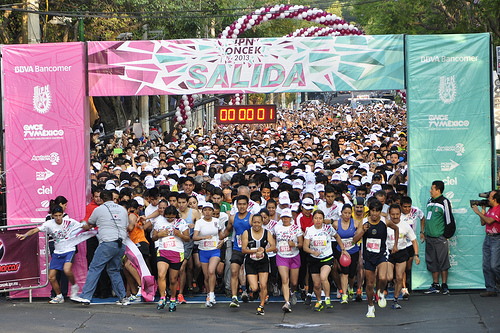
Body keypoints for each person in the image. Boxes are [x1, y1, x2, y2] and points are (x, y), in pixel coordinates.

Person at [71, 190, 130, 305]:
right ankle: (123, 298)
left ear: (101, 200)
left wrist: (82, 224)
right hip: (121, 244)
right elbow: (126, 225)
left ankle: (86, 296)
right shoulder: (122, 209)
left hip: (107, 243)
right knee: (114, 270)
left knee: (94, 268)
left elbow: (90, 224)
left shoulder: (98, 209)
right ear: (113, 198)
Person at [17, 205, 82, 304]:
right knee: (51, 277)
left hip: (69, 249)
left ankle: (74, 288)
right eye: (56, 216)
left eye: (60, 215)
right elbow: (35, 230)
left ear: (63, 214)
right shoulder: (48, 224)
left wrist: (90, 225)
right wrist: (25, 235)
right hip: (57, 252)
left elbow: (83, 225)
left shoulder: (70, 222)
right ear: (52, 215)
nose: (58, 218)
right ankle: (59, 296)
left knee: (67, 270)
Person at [304, 210, 348, 311]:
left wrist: (343, 249)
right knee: (316, 284)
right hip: (314, 259)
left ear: (323, 219)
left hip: (327, 257)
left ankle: (327, 298)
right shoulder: (309, 230)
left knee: (324, 277)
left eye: (320, 218)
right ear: (313, 219)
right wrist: (312, 252)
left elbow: (337, 236)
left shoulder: (328, 228)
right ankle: (319, 301)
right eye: (316, 218)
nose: (318, 220)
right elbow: (305, 247)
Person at [361, 199, 399, 318]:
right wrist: (363, 230)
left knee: (383, 278)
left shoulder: (385, 221)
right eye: (372, 211)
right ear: (369, 210)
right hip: (368, 256)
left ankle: (381, 292)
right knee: (370, 284)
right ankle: (371, 307)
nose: (374, 214)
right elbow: (355, 239)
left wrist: (395, 245)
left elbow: (396, 229)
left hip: (381, 254)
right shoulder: (363, 222)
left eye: (377, 211)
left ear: (380, 212)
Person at [153, 205, 190, 311]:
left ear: (175, 215)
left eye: (172, 217)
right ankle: (162, 297)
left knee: (173, 280)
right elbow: (153, 237)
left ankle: (173, 299)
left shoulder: (181, 222)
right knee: (161, 275)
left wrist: (180, 235)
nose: (169, 219)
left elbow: (188, 239)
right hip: (163, 251)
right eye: (167, 217)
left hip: (176, 252)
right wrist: (159, 234)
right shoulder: (159, 221)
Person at [421, 180, 454, 295]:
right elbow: (427, 218)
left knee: (443, 261)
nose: (430, 191)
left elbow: (449, 220)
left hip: (440, 238)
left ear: (438, 190)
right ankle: (435, 285)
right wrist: (424, 232)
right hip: (429, 237)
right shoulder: (430, 201)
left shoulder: (444, 202)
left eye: (432, 189)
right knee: (432, 260)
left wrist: (445, 236)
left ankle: (444, 285)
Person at [386, 204, 419, 309]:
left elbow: (414, 240)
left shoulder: (405, 225)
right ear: (389, 214)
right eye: (393, 214)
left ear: (400, 214)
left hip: (401, 252)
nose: (395, 216)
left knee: (400, 277)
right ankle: (381, 290)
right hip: (389, 253)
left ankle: (395, 300)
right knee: (389, 277)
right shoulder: (385, 225)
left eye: (397, 214)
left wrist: (416, 255)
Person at [241, 214, 276, 315]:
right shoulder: (246, 233)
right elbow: (243, 249)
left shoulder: (267, 232)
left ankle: (261, 305)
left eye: (259, 222)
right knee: (255, 287)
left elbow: (273, 246)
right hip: (251, 262)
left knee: (263, 285)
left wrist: (264, 250)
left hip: (263, 262)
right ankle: (254, 292)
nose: (256, 224)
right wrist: (256, 251)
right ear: (251, 223)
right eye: (254, 222)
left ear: (262, 223)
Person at [193, 202, 224, 307]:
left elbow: (221, 235)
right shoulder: (199, 222)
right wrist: (203, 237)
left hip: (214, 250)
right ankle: (208, 295)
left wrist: (222, 241)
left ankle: (211, 294)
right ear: (202, 212)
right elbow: (194, 237)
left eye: (209, 210)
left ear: (212, 211)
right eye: (205, 210)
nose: (207, 212)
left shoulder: (216, 221)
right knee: (206, 276)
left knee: (211, 271)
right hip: (203, 250)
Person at [224, 195, 253, 308]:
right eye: (239, 204)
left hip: (250, 248)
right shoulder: (232, 217)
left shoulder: (251, 217)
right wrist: (220, 237)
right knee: (234, 270)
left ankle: (250, 290)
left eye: (244, 204)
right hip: (237, 248)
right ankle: (234, 297)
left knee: (251, 273)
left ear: (247, 205)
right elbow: (227, 231)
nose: (241, 206)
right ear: (236, 205)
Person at [273, 208, 303, 313]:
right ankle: (287, 302)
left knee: (294, 282)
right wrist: (274, 246)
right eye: (283, 217)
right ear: (281, 218)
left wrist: (294, 244)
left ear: (290, 218)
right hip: (281, 256)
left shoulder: (296, 228)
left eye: (287, 217)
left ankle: (292, 292)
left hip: (294, 256)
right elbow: (273, 238)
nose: (285, 219)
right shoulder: (277, 227)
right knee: (285, 280)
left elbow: (301, 244)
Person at [332, 204, 363, 305]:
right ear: (341, 213)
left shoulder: (356, 223)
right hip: (341, 251)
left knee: (352, 273)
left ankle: (350, 288)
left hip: (353, 251)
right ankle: (344, 295)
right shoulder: (336, 224)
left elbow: (361, 234)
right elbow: (332, 235)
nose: (347, 215)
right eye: (345, 213)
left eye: (349, 213)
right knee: (344, 272)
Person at [472, 190, 500, 297]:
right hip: (488, 238)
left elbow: (489, 221)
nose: (488, 198)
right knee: (486, 265)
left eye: (490, 197)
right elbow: (483, 222)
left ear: (495, 199)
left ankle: (495, 286)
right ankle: (491, 289)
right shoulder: (491, 209)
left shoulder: (498, 209)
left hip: (496, 238)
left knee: (494, 265)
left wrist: (478, 212)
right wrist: (483, 210)